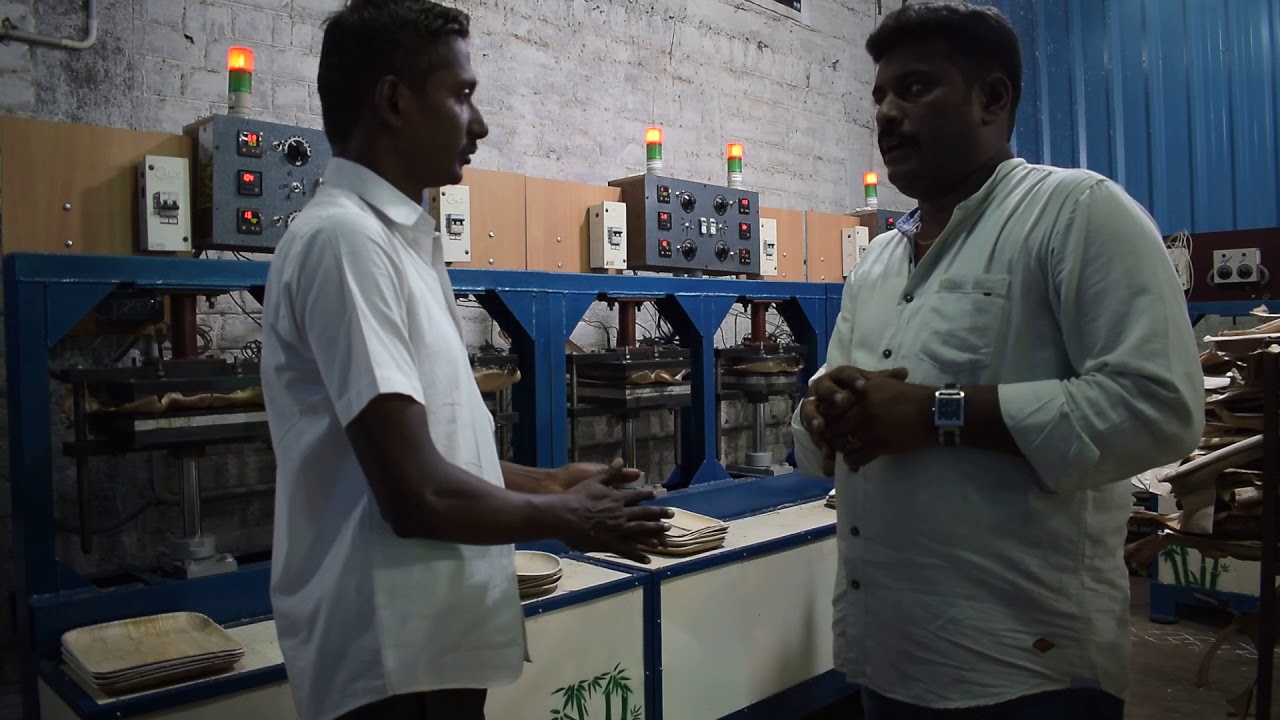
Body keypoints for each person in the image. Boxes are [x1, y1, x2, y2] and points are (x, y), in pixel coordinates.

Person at [258, 2, 673, 719]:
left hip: (427, 647)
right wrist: (568, 518)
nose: (478, 123)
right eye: (462, 95)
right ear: (393, 100)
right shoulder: (345, 244)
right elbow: (414, 494)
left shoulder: (397, 245)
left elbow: (435, 452)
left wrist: (550, 483)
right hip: (389, 658)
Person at [791, 3, 1203, 719]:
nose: (887, 113)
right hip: (884, 656)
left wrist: (937, 413)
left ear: (993, 97)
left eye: (915, 88)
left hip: (1024, 669)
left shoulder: (1076, 213)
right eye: (879, 96)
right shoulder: (880, 261)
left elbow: (1158, 410)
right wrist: (827, 411)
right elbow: (833, 401)